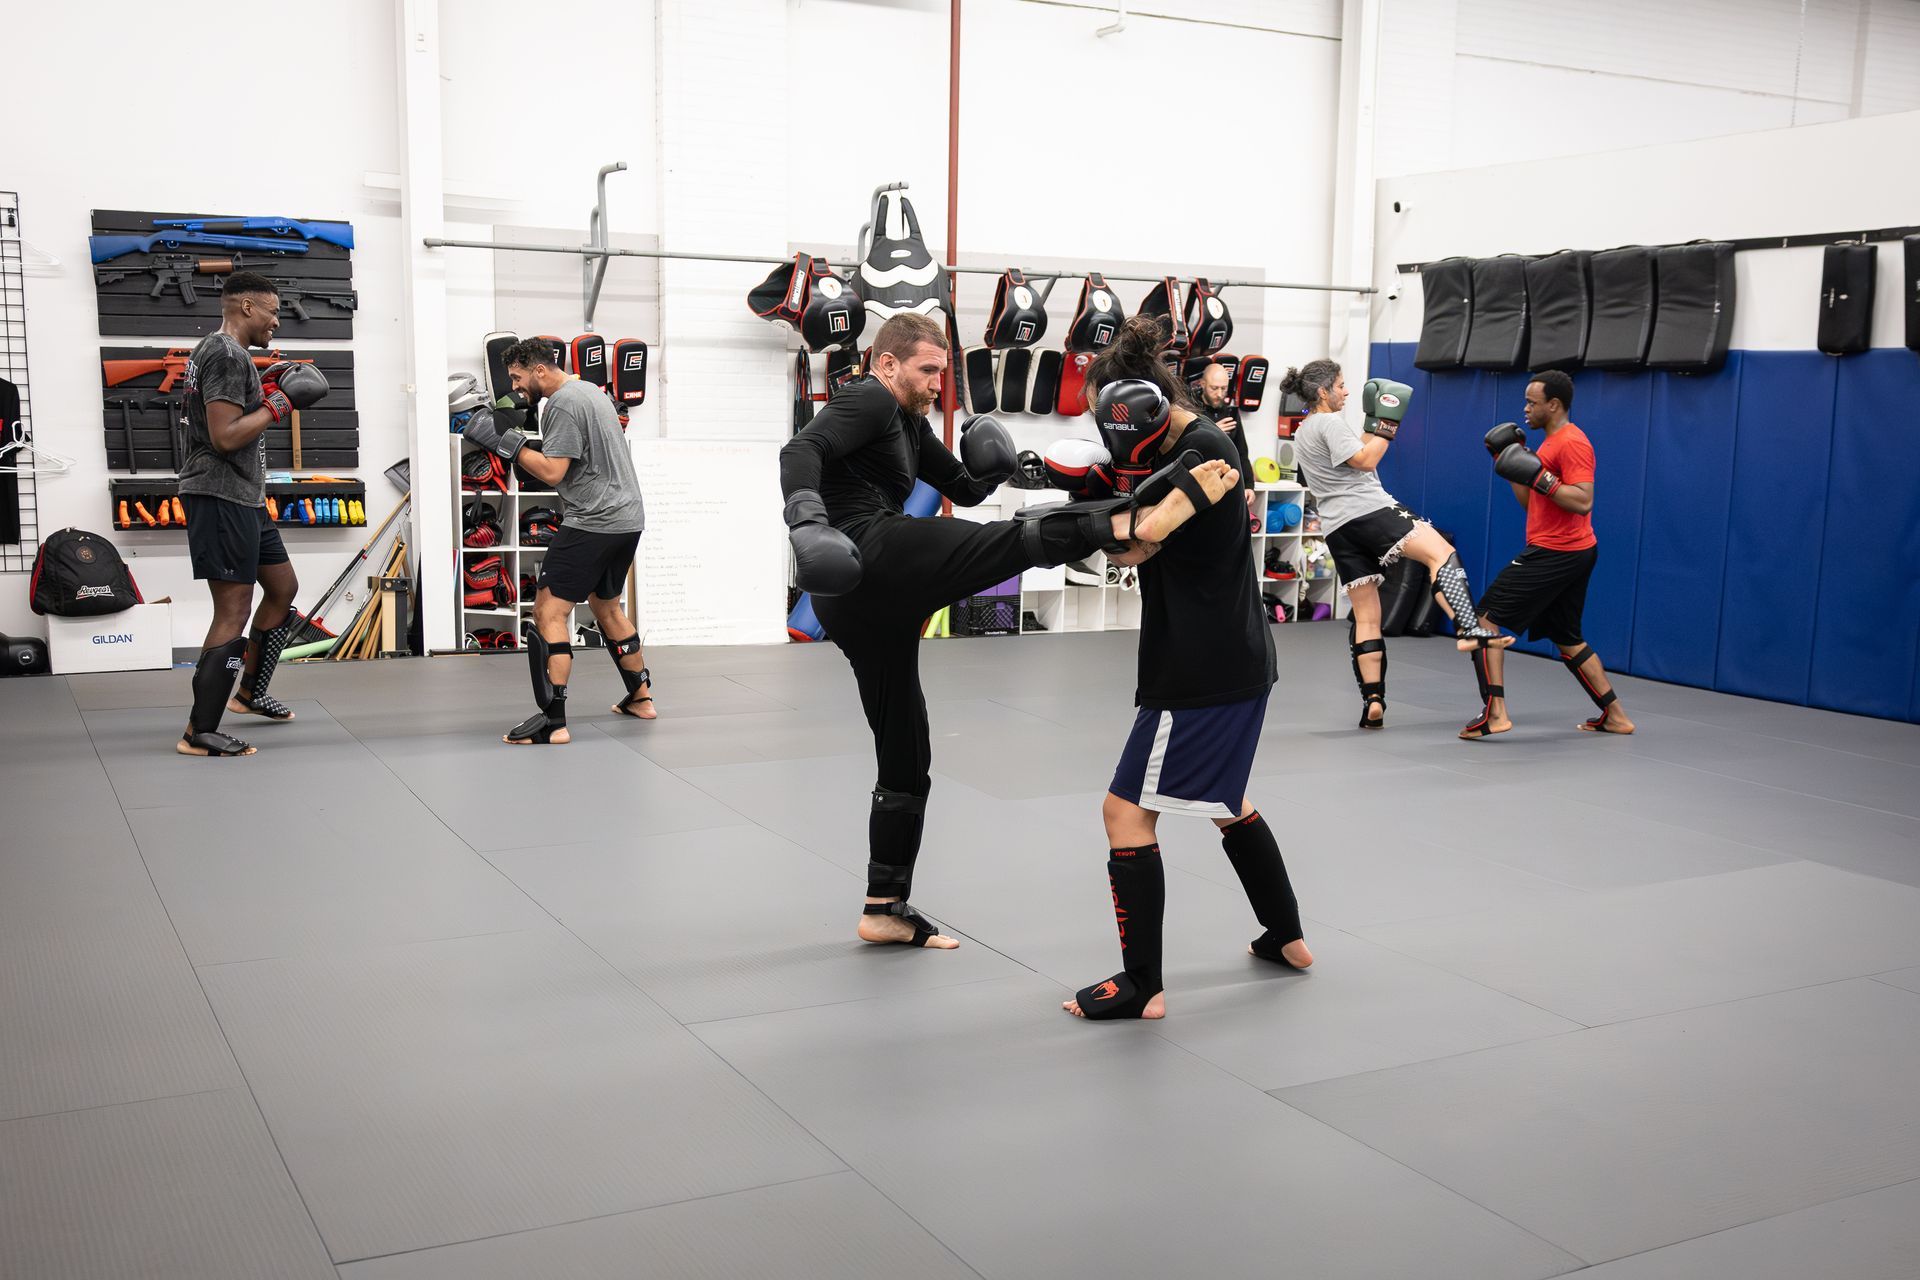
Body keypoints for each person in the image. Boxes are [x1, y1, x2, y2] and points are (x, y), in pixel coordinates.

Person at [778, 312, 1239, 951]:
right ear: (888, 364)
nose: (938, 382)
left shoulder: (907, 418)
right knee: (1014, 541)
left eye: (942, 370)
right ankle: (1129, 525)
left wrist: (1004, 463)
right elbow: (801, 450)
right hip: (864, 550)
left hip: (860, 599)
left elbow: (965, 490)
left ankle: (884, 906)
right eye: (926, 369)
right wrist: (805, 520)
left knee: (906, 748)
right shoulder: (868, 397)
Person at [1064, 316, 1311, 1022]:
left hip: (1199, 666)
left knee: (1123, 813)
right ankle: (1287, 935)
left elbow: (1132, 548)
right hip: (1234, 653)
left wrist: (1084, 506)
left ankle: (1142, 984)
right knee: (1227, 803)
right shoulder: (1185, 442)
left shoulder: (1202, 455)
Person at [1282, 360, 1513, 730]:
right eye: (1340, 385)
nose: (1345, 391)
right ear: (1323, 391)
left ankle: (1373, 701)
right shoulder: (1328, 422)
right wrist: (1388, 426)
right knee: (1441, 553)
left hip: (1338, 527)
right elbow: (1364, 459)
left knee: (1368, 616)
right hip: (1369, 510)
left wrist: (1374, 424)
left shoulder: (1304, 428)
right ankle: (1469, 628)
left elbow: (1351, 452)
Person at [461, 338, 655, 745]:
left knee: (548, 611)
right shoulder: (591, 392)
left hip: (593, 521)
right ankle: (641, 698)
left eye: (517, 377)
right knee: (607, 606)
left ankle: (554, 721)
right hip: (626, 518)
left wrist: (506, 442)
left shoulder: (562, 403)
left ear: (540, 371)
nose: (515, 387)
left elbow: (551, 472)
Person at [176, 271, 329, 756]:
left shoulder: (227, 354)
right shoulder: (223, 353)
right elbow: (224, 437)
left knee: (283, 588)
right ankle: (199, 731)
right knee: (233, 609)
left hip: (243, 495)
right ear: (245, 307)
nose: (277, 322)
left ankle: (249, 693)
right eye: (272, 311)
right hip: (219, 493)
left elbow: (232, 418)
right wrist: (281, 402)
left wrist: (262, 391)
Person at [1465, 369, 1635, 738]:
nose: (1525, 408)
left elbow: (1583, 500)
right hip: (1571, 550)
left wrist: (1542, 477)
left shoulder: (1572, 443)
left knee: (1485, 620)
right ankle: (1617, 716)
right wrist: (1512, 467)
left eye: (1532, 402)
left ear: (1554, 404)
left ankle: (1496, 714)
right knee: (1567, 637)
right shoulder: (1546, 445)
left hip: (1556, 552)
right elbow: (1533, 503)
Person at [1191, 360, 1254, 512]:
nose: (1219, 394)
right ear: (1202, 384)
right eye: (1214, 388)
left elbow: (1241, 451)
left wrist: (1249, 485)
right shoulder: (1191, 409)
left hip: (1227, 485)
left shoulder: (1230, 412)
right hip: (1198, 485)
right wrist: (1214, 431)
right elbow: (1185, 445)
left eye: (1223, 388)